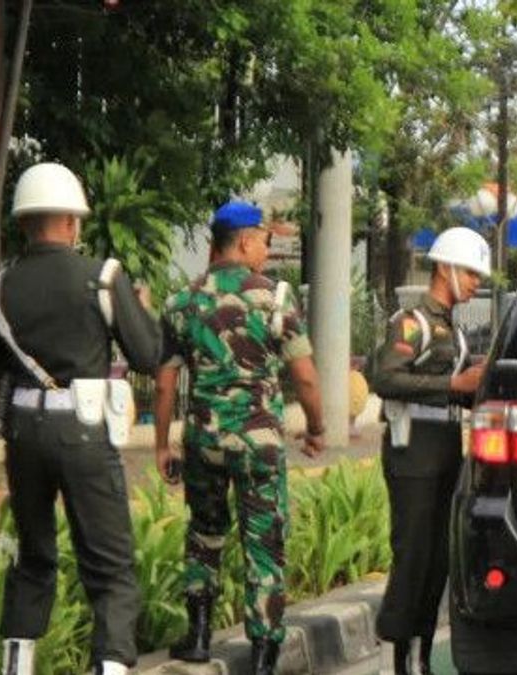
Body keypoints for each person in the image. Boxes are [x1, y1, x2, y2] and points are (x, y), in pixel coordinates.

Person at [0, 162, 163, 675]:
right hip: (84, 431)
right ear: (71, 222)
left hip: (23, 434)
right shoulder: (103, 278)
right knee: (110, 566)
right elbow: (148, 356)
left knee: (34, 556)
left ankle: (16, 667)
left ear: (24, 223)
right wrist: (142, 309)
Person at [154, 201, 326, 675]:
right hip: (258, 444)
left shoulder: (181, 302)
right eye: (265, 242)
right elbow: (306, 378)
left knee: (204, 534)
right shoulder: (274, 298)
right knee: (264, 543)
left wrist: (161, 444)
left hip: (203, 442)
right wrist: (315, 428)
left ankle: (199, 635)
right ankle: (264, 657)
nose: (267, 253)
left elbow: (165, 382)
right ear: (246, 240)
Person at [367, 227, 490, 675]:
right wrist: (454, 384)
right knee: (413, 554)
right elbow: (385, 378)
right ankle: (394, 657)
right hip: (412, 450)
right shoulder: (411, 322)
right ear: (445, 268)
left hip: (444, 451)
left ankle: (420, 654)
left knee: (439, 558)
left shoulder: (453, 331)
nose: (476, 283)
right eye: (471, 273)